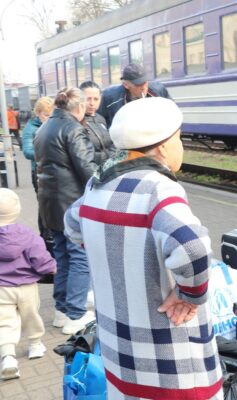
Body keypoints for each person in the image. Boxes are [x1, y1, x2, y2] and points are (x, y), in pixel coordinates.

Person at [65, 97, 222, 399]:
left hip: (118, 352)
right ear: (162, 147)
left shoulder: (98, 183)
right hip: (167, 359)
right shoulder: (157, 188)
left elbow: (72, 223)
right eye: (179, 138)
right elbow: (192, 248)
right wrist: (189, 295)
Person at [32, 87, 98, 335]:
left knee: (62, 256)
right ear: (79, 107)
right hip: (72, 202)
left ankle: (62, 310)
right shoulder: (73, 128)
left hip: (49, 202)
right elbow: (86, 168)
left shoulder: (43, 128)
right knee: (80, 256)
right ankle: (75, 314)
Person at [0, 189, 56, 381]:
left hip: (2, 288)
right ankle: (35, 345)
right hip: (27, 286)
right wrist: (51, 268)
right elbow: (39, 256)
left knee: (5, 321)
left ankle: (8, 356)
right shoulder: (26, 234)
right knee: (31, 314)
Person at [98, 63, 172, 128]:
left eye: (145, 82)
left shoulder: (158, 90)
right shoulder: (110, 98)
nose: (143, 87)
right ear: (126, 85)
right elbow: (98, 121)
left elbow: (172, 112)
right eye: (138, 84)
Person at [21, 97, 55, 192]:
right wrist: (47, 155)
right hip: (40, 172)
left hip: (55, 170)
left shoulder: (54, 125)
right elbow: (27, 151)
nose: (50, 119)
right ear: (38, 113)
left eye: (52, 115)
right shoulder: (30, 128)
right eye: (46, 115)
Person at [80, 81, 117, 167]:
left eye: (96, 99)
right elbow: (82, 154)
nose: (92, 103)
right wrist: (109, 155)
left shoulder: (101, 119)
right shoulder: (76, 121)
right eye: (88, 99)